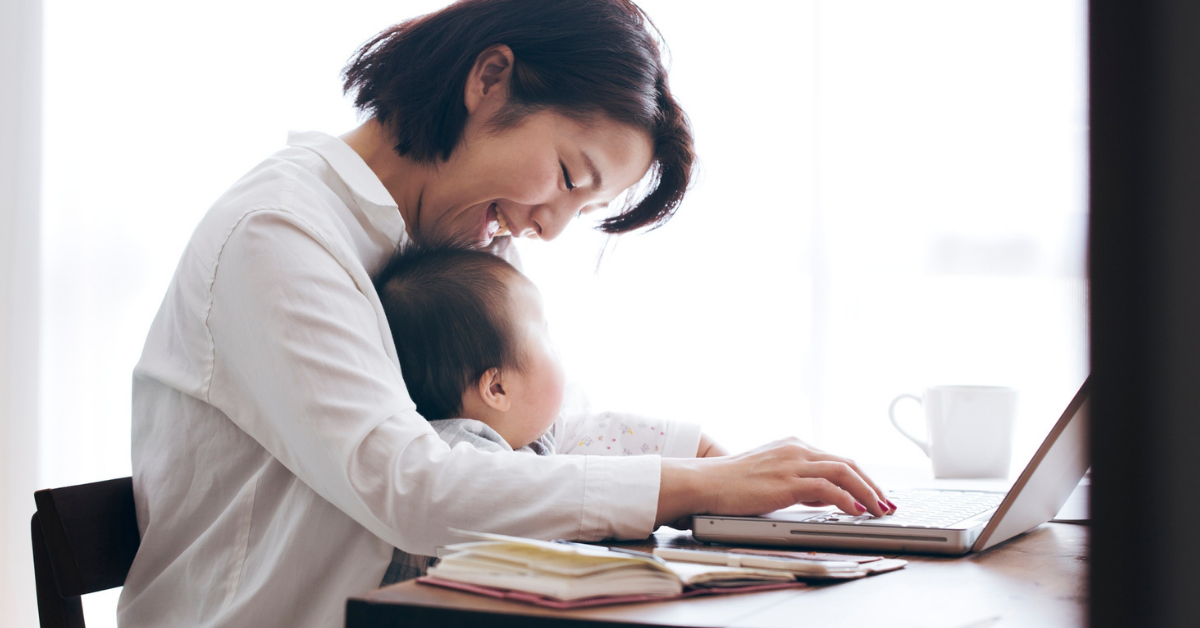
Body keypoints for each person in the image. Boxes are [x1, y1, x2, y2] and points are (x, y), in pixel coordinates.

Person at [118, 1, 894, 626]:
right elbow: (412, 490)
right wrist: (692, 486)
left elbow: (547, 433)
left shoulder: (461, 238)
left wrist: (720, 465)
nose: (550, 225)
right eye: (566, 174)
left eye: (581, 206)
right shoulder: (278, 234)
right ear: (489, 78)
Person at [373, 242, 720, 582]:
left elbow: (612, 433)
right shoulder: (453, 454)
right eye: (546, 335)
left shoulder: (529, 432)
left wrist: (704, 453)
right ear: (497, 388)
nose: (559, 352)